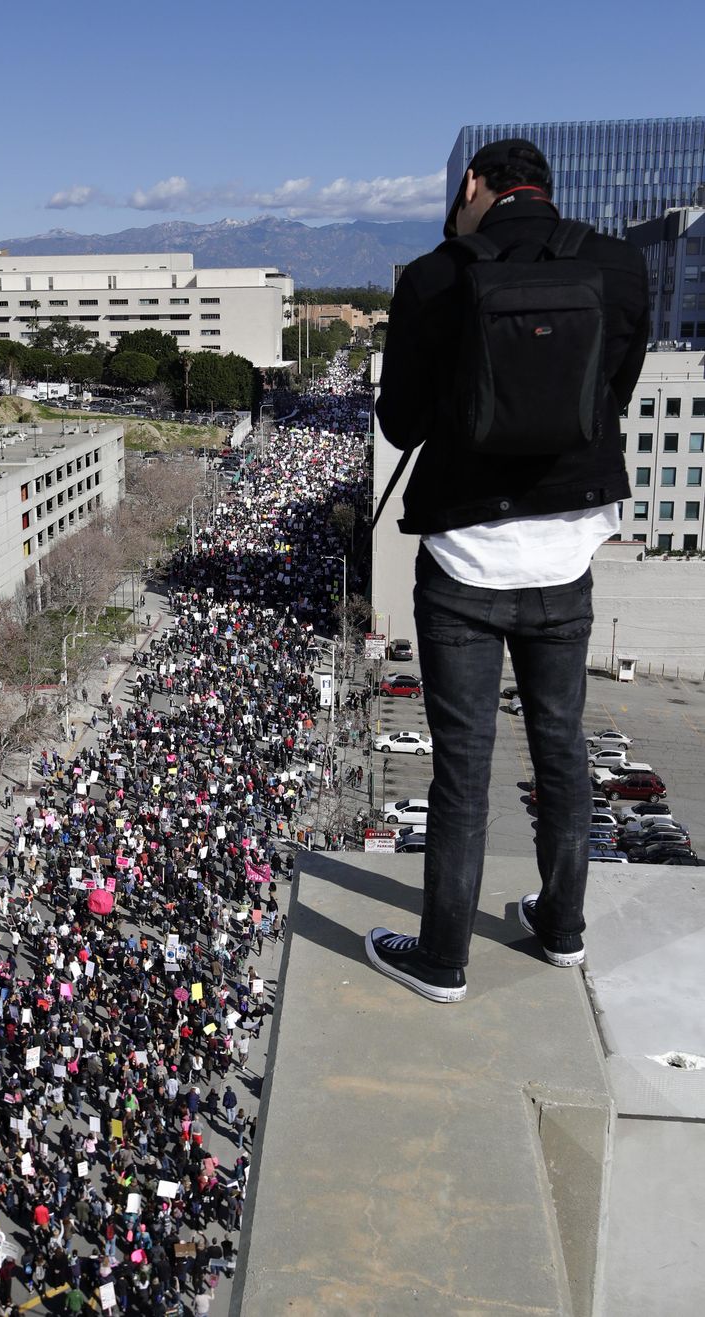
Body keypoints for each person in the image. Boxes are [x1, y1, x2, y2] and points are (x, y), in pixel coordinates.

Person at [367, 137, 649, 1002]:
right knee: (560, 751)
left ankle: (444, 958)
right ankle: (560, 927)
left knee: (463, 768)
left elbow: (401, 424)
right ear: (549, 192)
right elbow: (616, 391)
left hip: (464, 557)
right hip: (566, 556)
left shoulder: (432, 275)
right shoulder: (618, 265)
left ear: (474, 187)